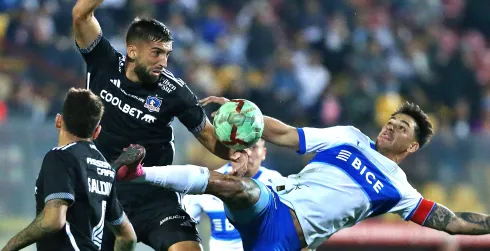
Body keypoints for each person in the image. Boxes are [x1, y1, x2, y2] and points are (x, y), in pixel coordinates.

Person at [115, 97, 490, 251]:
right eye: (391, 121)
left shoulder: (399, 189)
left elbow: (453, 223)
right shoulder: (349, 137)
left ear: (411, 148)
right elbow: (286, 134)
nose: (391, 127)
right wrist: (244, 111)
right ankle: (137, 173)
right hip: (274, 206)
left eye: (402, 128)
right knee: (230, 184)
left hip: (284, 241)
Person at [72, 0, 249, 250]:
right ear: (132, 50)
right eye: (156, 53)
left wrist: (235, 153)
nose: (163, 62)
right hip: (102, 192)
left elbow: (208, 136)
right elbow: (81, 13)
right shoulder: (104, 62)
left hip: (155, 197)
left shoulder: (175, 91)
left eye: (167, 54)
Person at [1, 88, 137, 251]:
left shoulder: (60, 156)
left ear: (58, 121)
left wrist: (9, 246)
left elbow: (53, 220)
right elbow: (128, 236)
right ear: (97, 131)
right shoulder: (105, 169)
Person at [183, 139, 283, 251]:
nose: (248, 153)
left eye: (253, 147)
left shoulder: (276, 182)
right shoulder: (209, 182)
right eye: (241, 147)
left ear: (263, 153)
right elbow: (183, 229)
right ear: (231, 151)